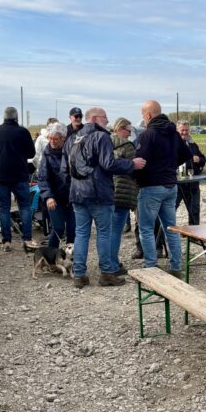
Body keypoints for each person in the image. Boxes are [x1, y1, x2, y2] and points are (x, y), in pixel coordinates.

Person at [63, 105, 145, 287]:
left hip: (77, 193)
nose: (107, 120)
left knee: (81, 234)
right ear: (94, 119)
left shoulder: (72, 139)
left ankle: (79, 274)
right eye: (104, 117)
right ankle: (107, 273)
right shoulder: (101, 136)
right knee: (104, 233)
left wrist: (74, 186)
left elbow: (64, 169)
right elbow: (108, 164)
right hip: (99, 193)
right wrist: (131, 164)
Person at [134, 100, 193, 275]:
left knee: (146, 228)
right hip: (170, 185)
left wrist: (136, 178)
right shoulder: (173, 133)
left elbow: (140, 162)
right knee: (171, 228)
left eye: (143, 115)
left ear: (148, 115)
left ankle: (151, 266)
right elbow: (187, 154)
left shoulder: (147, 135)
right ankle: (176, 266)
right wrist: (170, 166)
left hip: (151, 186)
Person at [0, 106, 36, 253]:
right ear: (16, 117)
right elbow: (31, 153)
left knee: (4, 208)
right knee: (25, 207)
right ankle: (27, 239)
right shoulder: (23, 132)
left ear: (4, 117)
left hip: (0, 175)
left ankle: (6, 240)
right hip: (19, 174)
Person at [37, 122, 75, 250]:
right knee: (58, 228)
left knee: (73, 229)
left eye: (55, 139)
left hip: (72, 196)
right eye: (50, 138)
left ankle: (73, 256)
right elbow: (43, 177)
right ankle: (51, 255)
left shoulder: (72, 151)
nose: (52, 141)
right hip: (55, 197)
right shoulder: (47, 153)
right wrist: (48, 196)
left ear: (63, 138)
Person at [110, 118, 139, 276]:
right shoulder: (127, 146)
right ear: (121, 129)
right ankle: (113, 264)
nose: (130, 133)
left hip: (108, 191)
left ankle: (108, 261)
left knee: (107, 231)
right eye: (129, 130)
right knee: (116, 231)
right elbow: (134, 169)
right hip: (123, 192)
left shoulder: (106, 143)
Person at [174, 120, 206, 226]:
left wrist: (199, 159)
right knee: (170, 210)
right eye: (182, 130)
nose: (184, 132)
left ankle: (194, 232)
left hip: (193, 183)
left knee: (194, 210)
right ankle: (165, 232)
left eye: (186, 130)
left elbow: (203, 159)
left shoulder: (193, 145)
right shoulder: (172, 144)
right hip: (177, 184)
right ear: (177, 130)